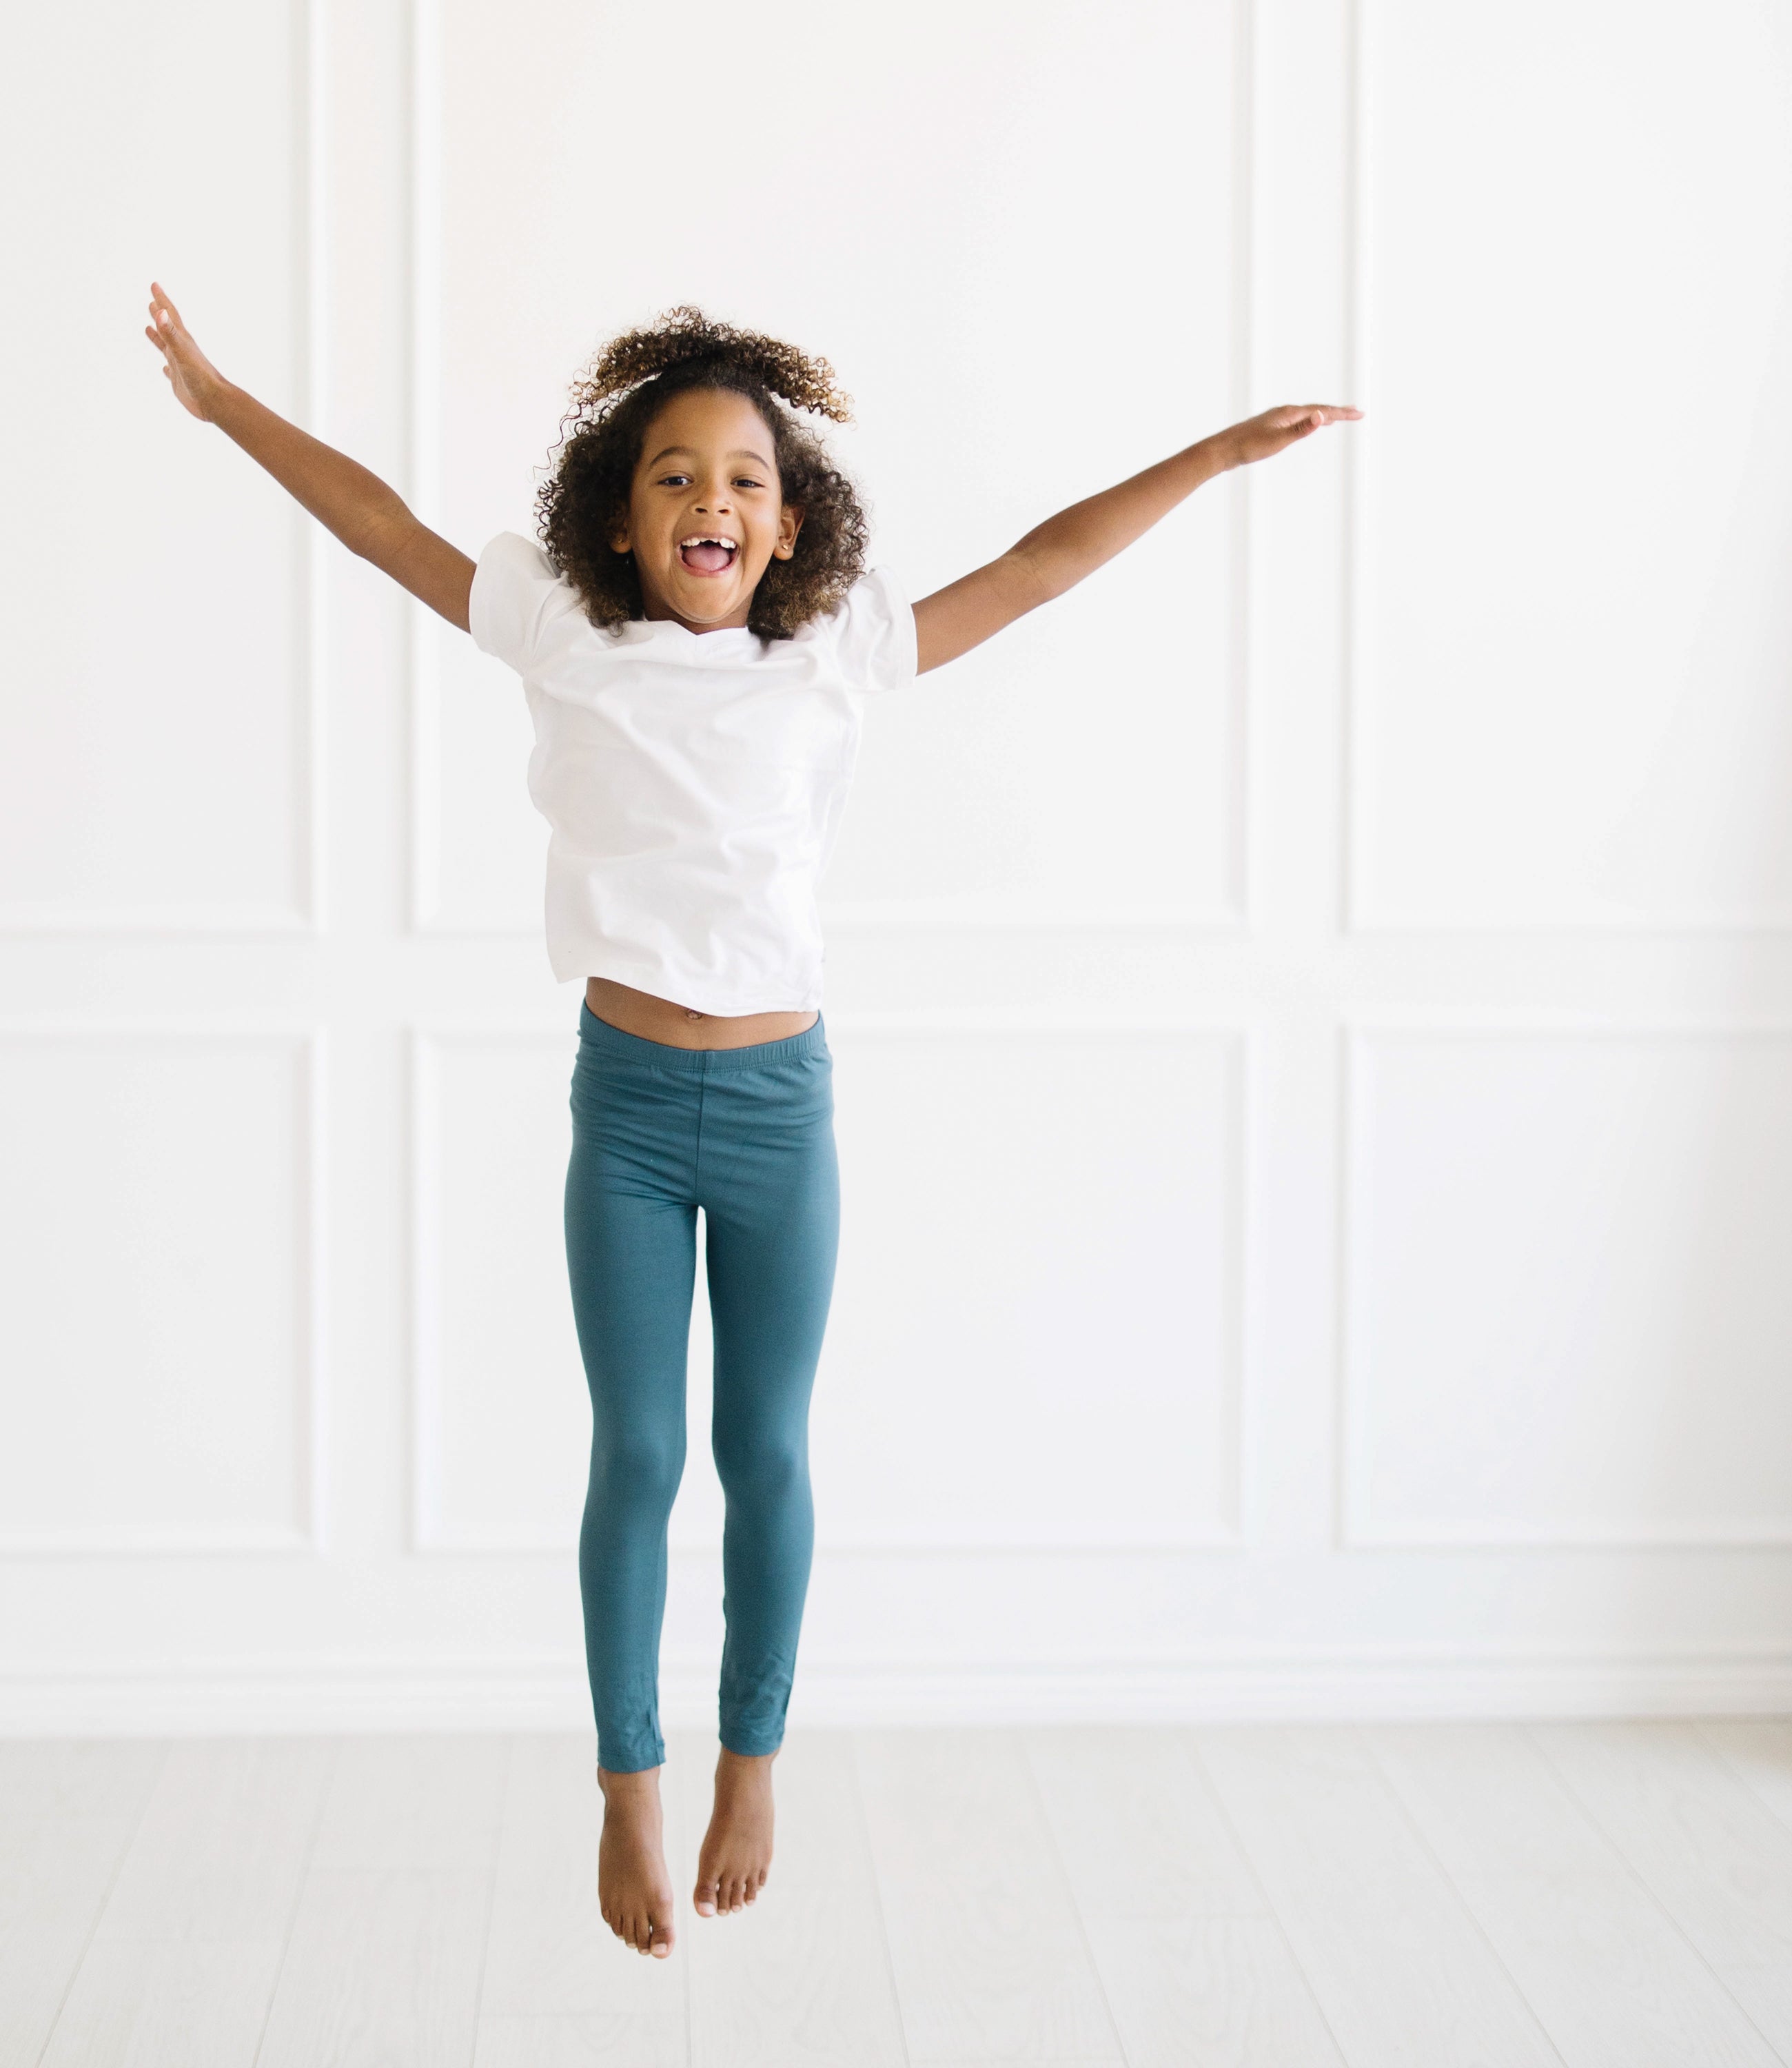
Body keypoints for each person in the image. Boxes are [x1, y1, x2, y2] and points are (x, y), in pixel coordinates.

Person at [143, 287, 1359, 1958]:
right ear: (616, 519)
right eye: (668, 477)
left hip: (783, 1106)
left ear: (790, 528)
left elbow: (1045, 559)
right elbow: (379, 523)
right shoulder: (563, 637)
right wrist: (223, 407)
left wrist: (1215, 454)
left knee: (764, 1450)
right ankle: (626, 1781)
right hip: (630, 1108)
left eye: (738, 479)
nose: (705, 501)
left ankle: (754, 1760)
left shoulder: (837, 655)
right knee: (638, 1456)